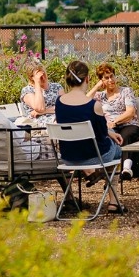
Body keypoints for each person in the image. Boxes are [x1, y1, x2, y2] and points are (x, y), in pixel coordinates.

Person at [51, 61, 123, 194]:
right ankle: (113, 199)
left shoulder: (59, 102)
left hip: (68, 158)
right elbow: (101, 135)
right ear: (87, 79)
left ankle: (92, 174)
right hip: (94, 157)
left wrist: (109, 132)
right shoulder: (94, 105)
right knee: (117, 149)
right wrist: (109, 133)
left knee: (110, 136)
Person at [89, 63, 139, 180]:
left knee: (126, 136)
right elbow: (84, 101)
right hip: (109, 128)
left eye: (112, 76)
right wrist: (96, 87)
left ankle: (126, 169)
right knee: (106, 137)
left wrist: (115, 122)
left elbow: (130, 112)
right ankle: (108, 172)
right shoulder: (100, 96)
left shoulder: (126, 91)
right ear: (101, 80)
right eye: (106, 78)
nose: (111, 80)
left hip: (128, 124)